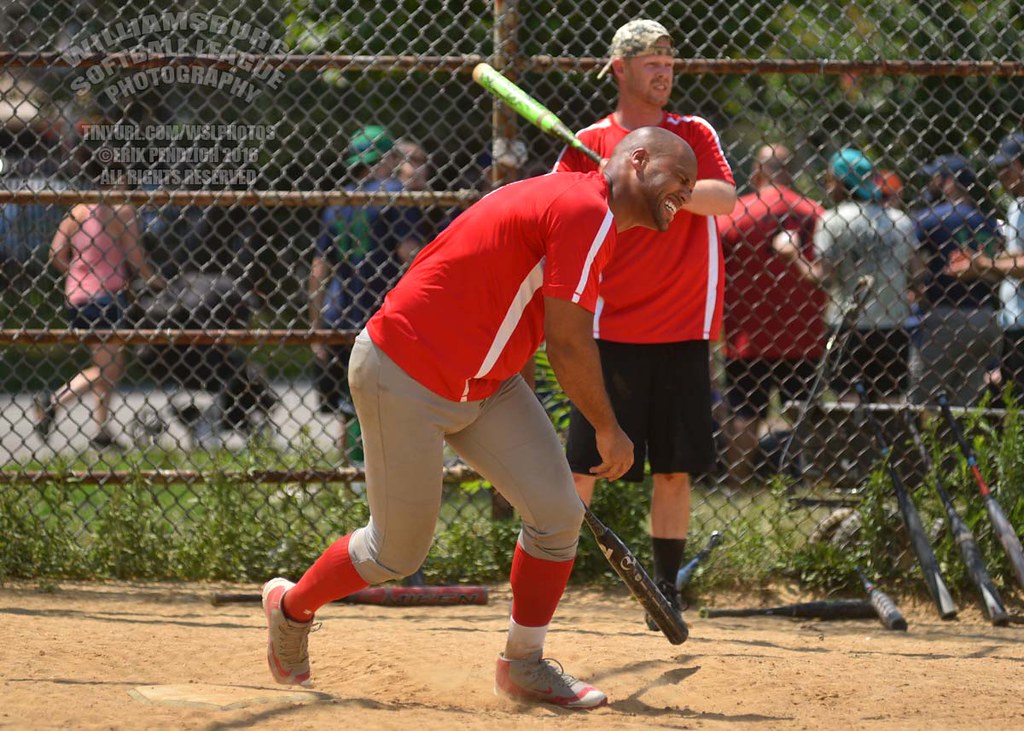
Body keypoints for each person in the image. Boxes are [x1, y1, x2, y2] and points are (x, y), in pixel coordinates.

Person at [261, 127, 698, 709]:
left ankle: (524, 664)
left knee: (557, 513)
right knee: (395, 552)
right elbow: (568, 344)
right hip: (405, 373)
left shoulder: (589, 213)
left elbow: (535, 316)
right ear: (638, 160)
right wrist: (607, 429)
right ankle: (291, 608)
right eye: (680, 179)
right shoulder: (583, 208)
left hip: (485, 383)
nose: (687, 194)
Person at [552, 18, 736, 623]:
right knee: (585, 466)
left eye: (668, 58)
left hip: (683, 327)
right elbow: (560, 213)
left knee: (675, 468)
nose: (663, 69)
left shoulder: (692, 132)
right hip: (608, 328)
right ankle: (548, 580)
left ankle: (665, 592)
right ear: (619, 69)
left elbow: (723, 198)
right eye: (649, 60)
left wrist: (663, 185)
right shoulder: (589, 140)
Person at [309, 125, 426, 458]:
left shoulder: (338, 202)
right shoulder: (394, 195)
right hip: (383, 315)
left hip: (340, 313)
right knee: (392, 400)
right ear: (387, 158)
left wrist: (317, 326)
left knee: (352, 400)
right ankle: (387, 474)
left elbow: (319, 269)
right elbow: (410, 254)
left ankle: (353, 475)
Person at [34, 160, 163, 448]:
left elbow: (56, 253)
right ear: (117, 182)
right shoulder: (121, 211)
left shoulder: (78, 210)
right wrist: (158, 282)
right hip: (107, 297)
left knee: (106, 366)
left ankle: (102, 431)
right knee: (108, 369)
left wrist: (78, 274)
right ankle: (54, 401)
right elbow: (135, 257)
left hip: (77, 297)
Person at [773, 147, 917, 402]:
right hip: (893, 323)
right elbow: (916, 270)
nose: (827, 186)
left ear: (841, 181)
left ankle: (856, 441)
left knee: (848, 401)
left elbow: (820, 276)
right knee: (890, 400)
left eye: (830, 179)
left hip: (847, 323)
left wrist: (793, 253)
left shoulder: (833, 220)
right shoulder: (900, 220)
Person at [718, 144, 825, 485]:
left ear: (756, 172)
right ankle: (811, 478)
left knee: (745, 412)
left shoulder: (734, 212)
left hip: (748, 335)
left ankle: (738, 482)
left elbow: (717, 268)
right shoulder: (815, 211)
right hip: (803, 334)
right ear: (790, 170)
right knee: (805, 413)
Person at [907, 154, 1003, 406]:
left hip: (945, 314)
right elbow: (997, 270)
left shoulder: (929, 218)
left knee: (922, 397)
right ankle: (961, 443)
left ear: (947, 181)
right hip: (984, 315)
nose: (930, 183)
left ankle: (925, 443)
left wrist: (918, 286)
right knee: (966, 400)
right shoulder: (988, 220)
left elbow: (914, 262)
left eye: (934, 178)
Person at [946, 134, 1024, 402]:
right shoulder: (1015, 207)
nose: (1001, 175)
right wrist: (976, 269)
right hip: (1013, 322)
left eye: (1006, 167)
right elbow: (1011, 266)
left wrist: (986, 262)